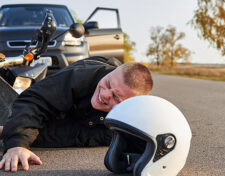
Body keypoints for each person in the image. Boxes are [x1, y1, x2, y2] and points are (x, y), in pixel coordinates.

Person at [0, 56, 153, 172]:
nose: (105, 94)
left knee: (72, 135)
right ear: (110, 74)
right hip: (66, 99)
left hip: (90, 124)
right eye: (107, 84)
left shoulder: (133, 113)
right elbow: (35, 100)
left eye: (116, 97)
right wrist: (17, 144)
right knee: (25, 126)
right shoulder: (81, 75)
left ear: (129, 105)